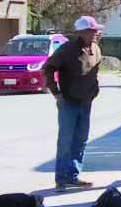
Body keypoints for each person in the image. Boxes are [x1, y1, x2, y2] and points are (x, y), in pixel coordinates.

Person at [43, 15, 103, 191]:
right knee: (65, 141)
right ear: (82, 32)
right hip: (68, 101)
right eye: (92, 30)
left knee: (81, 140)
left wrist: (94, 90)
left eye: (96, 30)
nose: (96, 33)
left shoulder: (96, 49)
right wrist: (56, 93)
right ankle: (61, 179)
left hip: (86, 102)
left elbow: (95, 71)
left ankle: (73, 176)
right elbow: (48, 68)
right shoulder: (67, 49)